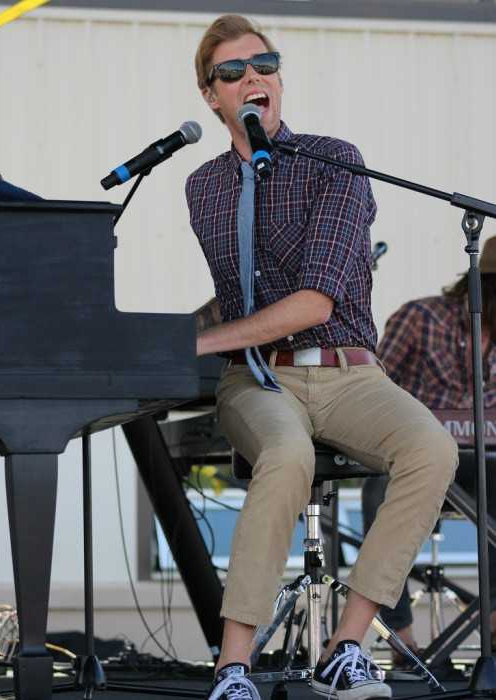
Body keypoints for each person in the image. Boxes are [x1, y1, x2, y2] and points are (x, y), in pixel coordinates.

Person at [187, 14, 457, 700]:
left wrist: (202, 340)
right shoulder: (204, 188)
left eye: (265, 64)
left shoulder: (335, 159)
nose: (253, 76)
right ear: (211, 96)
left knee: (432, 448)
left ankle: (347, 645)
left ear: (278, 79)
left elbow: (313, 302)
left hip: (349, 370)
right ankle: (233, 668)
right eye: (232, 71)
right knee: (287, 456)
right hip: (259, 376)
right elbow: (238, 297)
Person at [362, 236, 496, 663]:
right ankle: (401, 636)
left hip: (485, 460)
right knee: (380, 493)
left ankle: (491, 623)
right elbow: (371, 389)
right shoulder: (420, 318)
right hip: (414, 457)